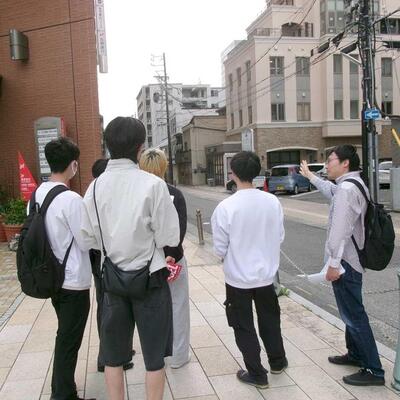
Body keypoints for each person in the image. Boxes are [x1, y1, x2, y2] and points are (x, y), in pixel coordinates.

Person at [81, 117, 180, 400]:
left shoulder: (94, 188)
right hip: (151, 278)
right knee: (154, 357)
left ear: (107, 146)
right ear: (140, 147)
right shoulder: (154, 185)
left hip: (112, 280)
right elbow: (169, 237)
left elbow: (87, 238)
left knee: (113, 356)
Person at [300, 144, 385, 386]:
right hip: (350, 260)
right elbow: (332, 192)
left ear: (345, 163)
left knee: (354, 315)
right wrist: (312, 177)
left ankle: (373, 370)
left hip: (346, 262)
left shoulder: (347, 189)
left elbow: (340, 232)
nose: (327, 165)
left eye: (330, 160)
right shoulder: (352, 184)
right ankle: (355, 354)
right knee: (350, 311)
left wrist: (334, 264)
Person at [211, 151, 288, 390]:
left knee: (242, 324)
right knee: (270, 319)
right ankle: (277, 361)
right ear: (256, 173)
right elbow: (280, 236)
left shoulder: (226, 207)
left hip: (238, 278)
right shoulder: (272, 201)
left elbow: (220, 248)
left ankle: (256, 373)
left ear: (232, 173)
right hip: (266, 276)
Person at [36, 137, 95, 400]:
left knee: (65, 336)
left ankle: (64, 391)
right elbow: (85, 241)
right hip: (73, 280)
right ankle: (62, 395)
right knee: (68, 341)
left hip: (50, 277)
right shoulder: (71, 199)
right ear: (73, 165)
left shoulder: (37, 195)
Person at [139, 148, 190, 369]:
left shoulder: (137, 194)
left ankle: (155, 355)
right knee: (178, 306)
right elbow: (180, 229)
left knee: (150, 309)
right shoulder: (174, 194)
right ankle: (179, 356)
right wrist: (171, 255)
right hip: (172, 260)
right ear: (164, 166)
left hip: (145, 261)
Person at [89, 158, 134, 373]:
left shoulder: (94, 193)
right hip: (105, 261)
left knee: (110, 306)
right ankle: (107, 357)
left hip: (100, 259)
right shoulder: (101, 193)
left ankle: (118, 351)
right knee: (109, 308)